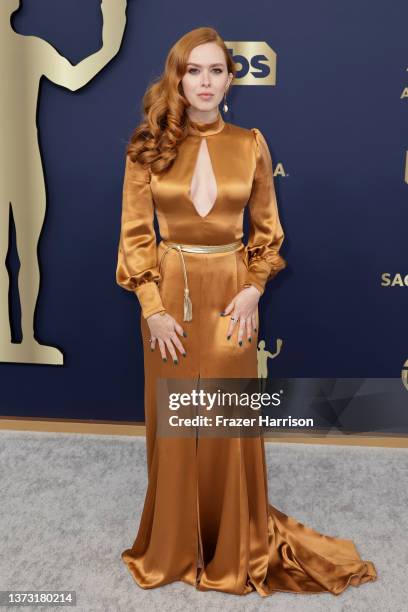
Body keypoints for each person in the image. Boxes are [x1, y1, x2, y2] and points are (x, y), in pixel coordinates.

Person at [116, 26, 377, 597]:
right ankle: (174, 548)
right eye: (193, 71)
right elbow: (136, 240)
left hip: (234, 297)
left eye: (216, 71)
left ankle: (233, 544)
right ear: (177, 79)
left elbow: (268, 233)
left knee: (228, 422)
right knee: (177, 421)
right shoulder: (147, 146)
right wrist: (153, 308)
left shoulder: (251, 143)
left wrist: (255, 288)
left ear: (231, 80)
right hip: (168, 298)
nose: (205, 82)